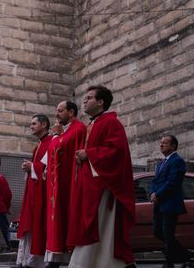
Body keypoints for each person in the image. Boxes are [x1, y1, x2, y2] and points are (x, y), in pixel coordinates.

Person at [70, 85, 136, 268]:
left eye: (89, 98)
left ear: (100, 102)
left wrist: (89, 154)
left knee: (99, 225)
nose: (84, 101)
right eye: (85, 98)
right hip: (90, 183)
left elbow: (116, 151)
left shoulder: (111, 122)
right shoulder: (93, 124)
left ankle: (94, 263)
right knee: (90, 224)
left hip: (103, 186)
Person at [44, 101, 86, 268]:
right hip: (57, 185)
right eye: (56, 111)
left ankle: (67, 259)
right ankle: (55, 257)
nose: (57, 114)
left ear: (71, 112)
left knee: (67, 218)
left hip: (69, 184)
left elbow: (63, 149)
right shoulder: (63, 131)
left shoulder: (79, 129)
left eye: (60, 111)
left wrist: (56, 136)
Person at [150, 135, 192, 268]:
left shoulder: (177, 161)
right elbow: (154, 180)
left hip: (170, 203)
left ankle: (169, 263)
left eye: (165, 143)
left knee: (168, 233)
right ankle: (184, 254)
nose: (161, 145)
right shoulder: (161, 163)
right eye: (160, 142)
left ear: (173, 146)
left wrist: (158, 194)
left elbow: (172, 182)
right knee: (158, 232)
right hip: (159, 203)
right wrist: (152, 192)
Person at [17, 114, 53, 268]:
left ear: (44, 124)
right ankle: (25, 260)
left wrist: (32, 167)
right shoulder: (38, 145)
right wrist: (30, 167)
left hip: (42, 193)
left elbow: (49, 168)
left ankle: (35, 261)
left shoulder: (50, 142)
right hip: (34, 190)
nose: (31, 126)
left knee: (38, 223)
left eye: (34, 123)